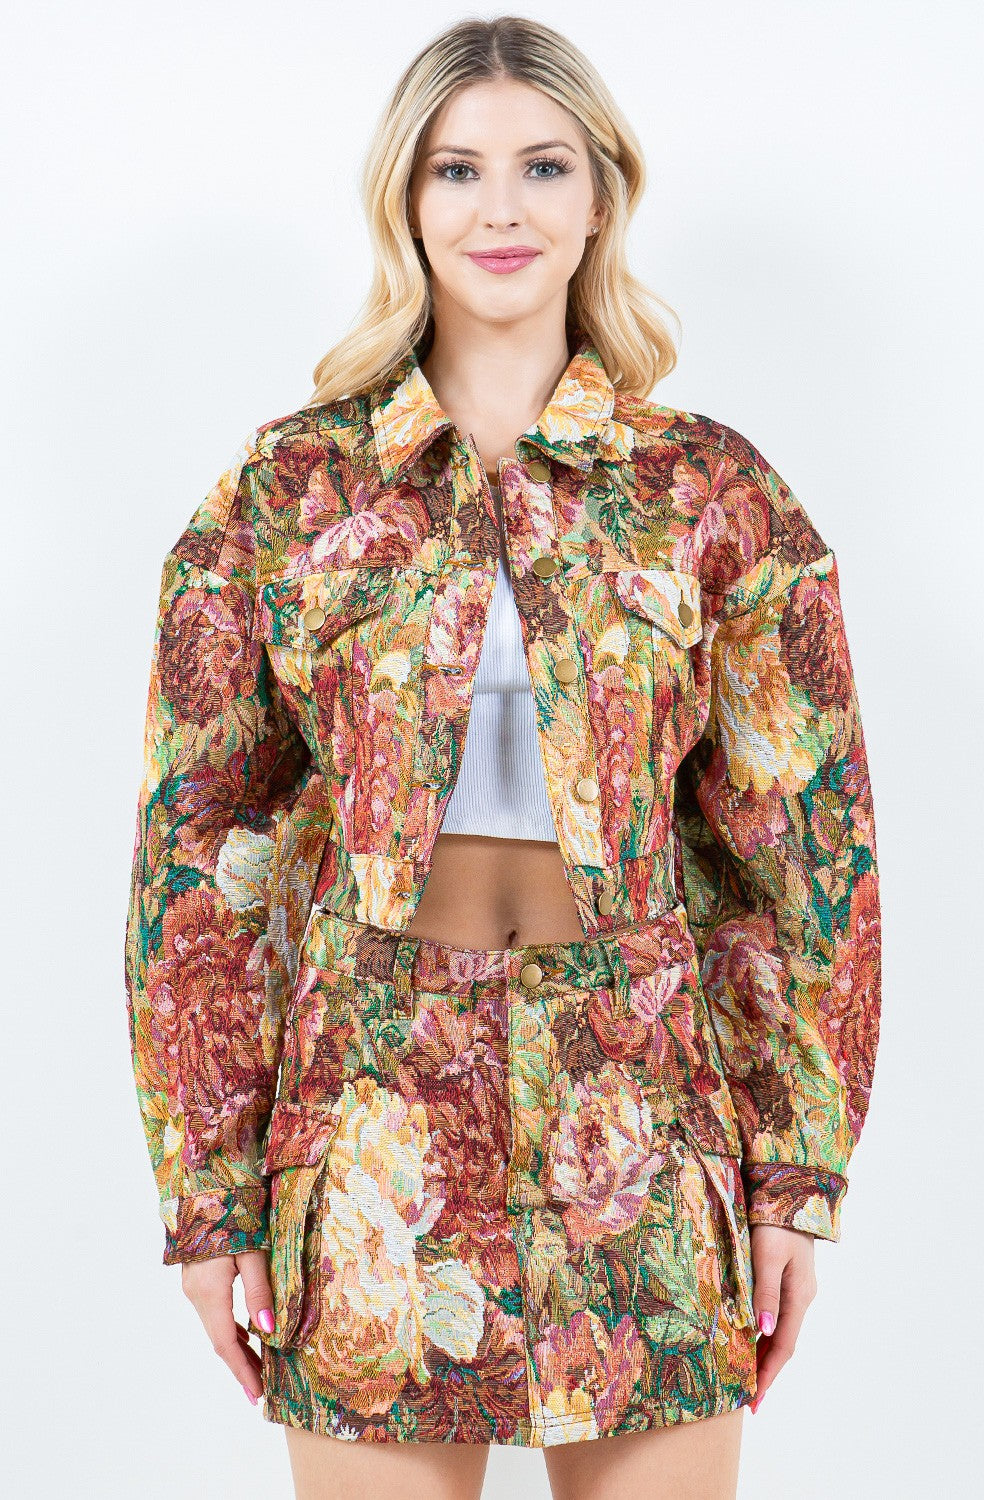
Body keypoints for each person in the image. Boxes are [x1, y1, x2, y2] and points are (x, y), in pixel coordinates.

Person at [124, 15, 881, 1500]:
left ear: (601, 196)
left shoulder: (708, 492)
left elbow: (803, 854)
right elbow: (199, 861)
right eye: (457, 169)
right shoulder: (287, 491)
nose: (501, 208)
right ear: (406, 201)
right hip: (374, 1125)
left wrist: (797, 1176)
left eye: (543, 166)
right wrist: (208, 1200)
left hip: (641, 1111)